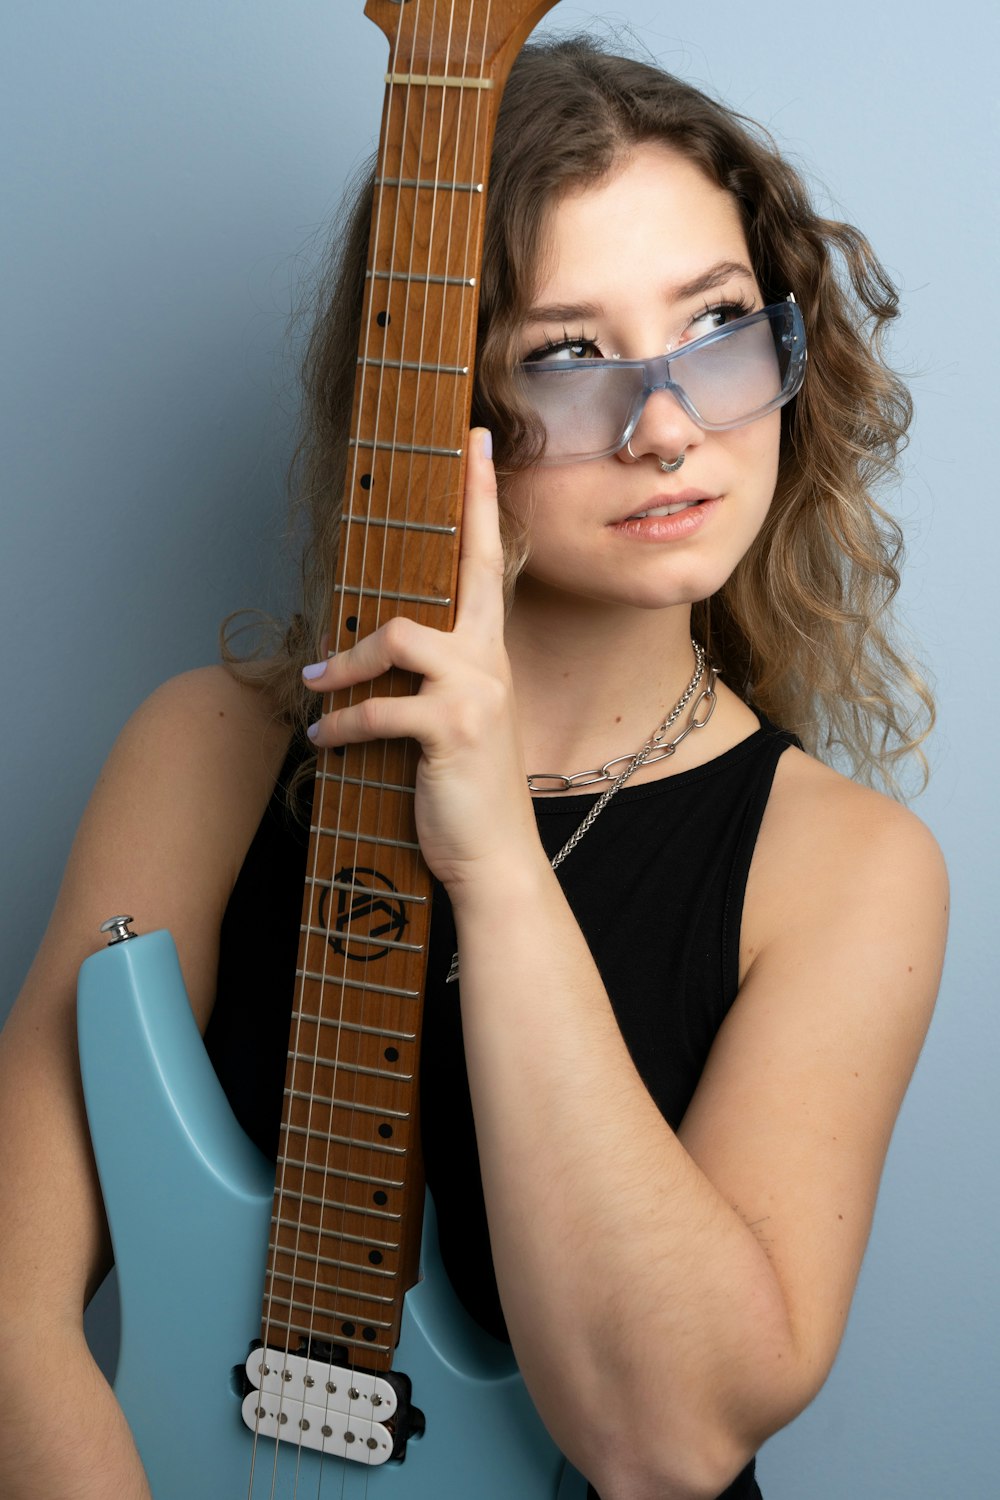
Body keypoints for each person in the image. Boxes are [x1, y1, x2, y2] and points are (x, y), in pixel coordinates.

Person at [0, 35, 947, 1500]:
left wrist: (495, 853)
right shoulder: (206, 755)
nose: (671, 428)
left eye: (715, 325)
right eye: (569, 359)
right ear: (433, 403)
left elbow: (669, 1441)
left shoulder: (847, 872)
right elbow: (8, 1312)